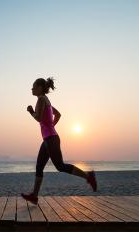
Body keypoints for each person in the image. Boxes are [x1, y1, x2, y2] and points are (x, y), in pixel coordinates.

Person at [21, 77, 97, 205]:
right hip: (48, 139)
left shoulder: (40, 99)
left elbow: (38, 118)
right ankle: (34, 196)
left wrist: (31, 112)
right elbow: (58, 115)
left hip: (51, 139)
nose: (32, 89)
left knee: (60, 166)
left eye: (33, 86)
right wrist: (51, 127)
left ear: (40, 88)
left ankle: (88, 176)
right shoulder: (47, 101)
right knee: (39, 167)